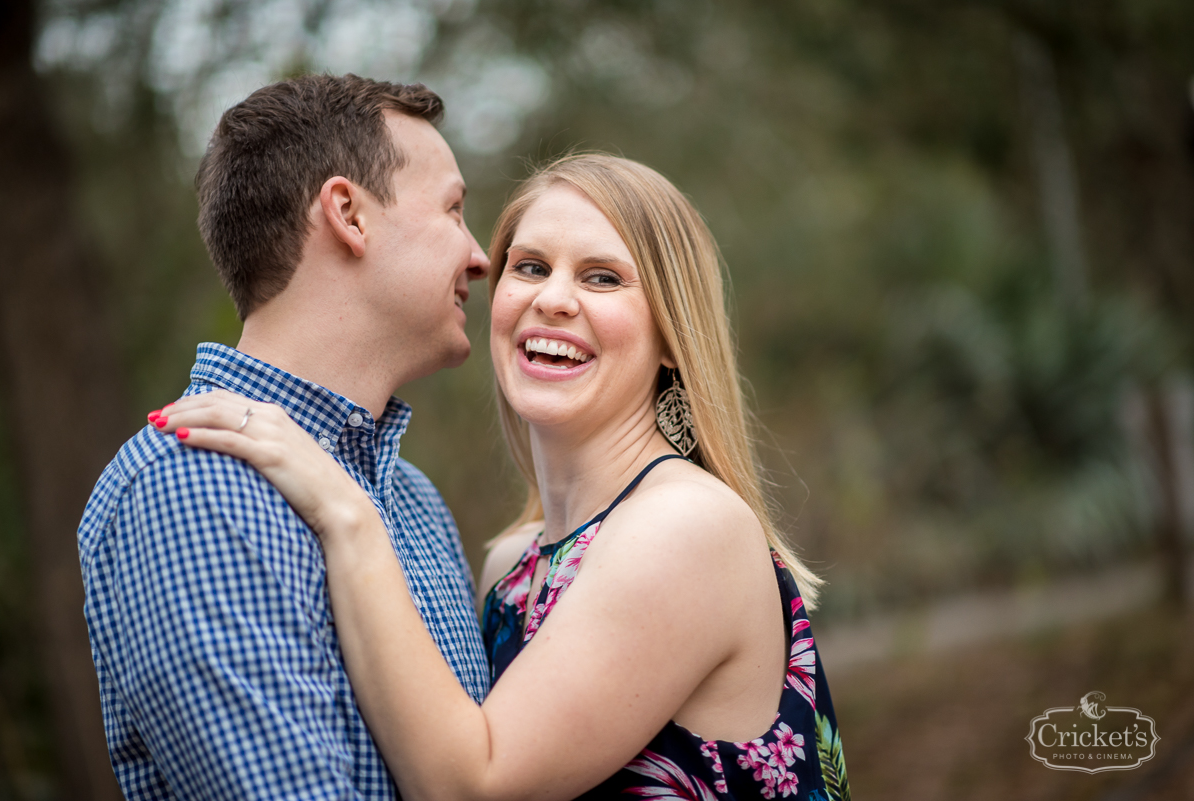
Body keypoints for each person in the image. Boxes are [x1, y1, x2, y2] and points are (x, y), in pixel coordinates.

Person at [157, 153, 851, 800]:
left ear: (672, 334)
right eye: (530, 266)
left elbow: (474, 781)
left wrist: (344, 508)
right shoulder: (509, 564)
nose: (552, 298)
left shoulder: (688, 525)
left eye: (602, 277)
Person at [78, 74, 492, 798]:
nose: (480, 255)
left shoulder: (415, 503)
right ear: (348, 214)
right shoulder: (194, 487)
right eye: (454, 211)